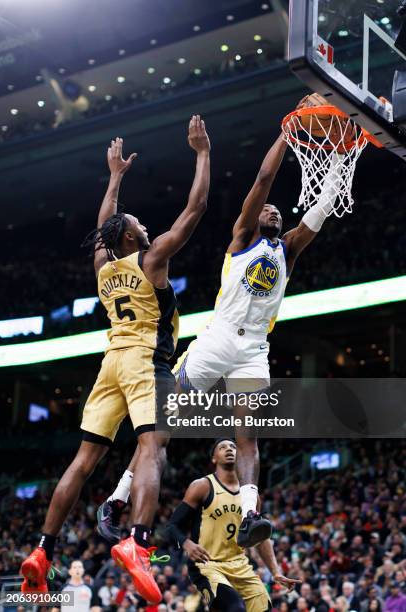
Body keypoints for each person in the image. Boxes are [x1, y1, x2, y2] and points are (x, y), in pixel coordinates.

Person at [100, 100, 342, 549]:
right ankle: (118, 497)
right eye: (266, 210)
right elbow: (264, 180)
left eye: (277, 212)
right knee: (162, 424)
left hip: (254, 350)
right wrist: (288, 132)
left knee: (247, 435)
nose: (272, 211)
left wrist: (342, 154)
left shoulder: (287, 250)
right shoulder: (241, 239)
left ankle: (251, 514)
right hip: (215, 341)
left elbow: (324, 206)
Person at [20, 115, 211, 607]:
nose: (145, 226)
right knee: (152, 448)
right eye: (139, 225)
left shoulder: (104, 265)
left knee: (83, 461)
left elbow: (102, 226)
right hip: (146, 361)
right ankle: (139, 542)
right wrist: (203, 154)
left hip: (110, 363)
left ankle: (43, 551)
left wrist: (115, 177)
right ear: (130, 239)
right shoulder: (152, 261)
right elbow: (195, 210)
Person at [166, 438, 300, 611]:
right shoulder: (202, 486)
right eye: (222, 447)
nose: (229, 449)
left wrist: (275, 572)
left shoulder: (251, 497)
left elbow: (260, 537)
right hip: (207, 565)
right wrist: (186, 543)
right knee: (234, 608)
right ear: (214, 458)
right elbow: (172, 526)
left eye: (233, 447)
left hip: (240, 566)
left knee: (264, 606)